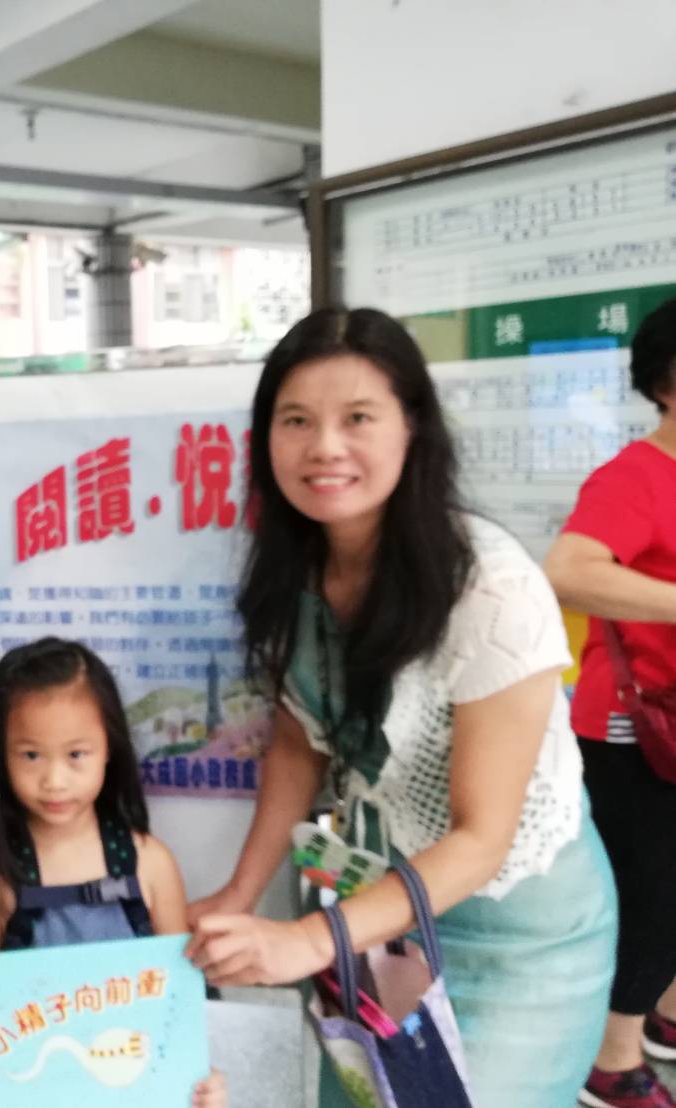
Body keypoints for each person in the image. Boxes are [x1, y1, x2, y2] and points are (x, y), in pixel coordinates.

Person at [183, 307, 617, 1108]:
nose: (324, 446)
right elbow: (298, 741)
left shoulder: (488, 588)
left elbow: (481, 840)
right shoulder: (294, 568)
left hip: (515, 934)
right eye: (295, 420)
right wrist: (240, 892)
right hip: (375, 915)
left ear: (411, 428)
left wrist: (306, 940)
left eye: (357, 418)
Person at [0, 638, 228, 1108]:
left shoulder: (150, 863)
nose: (54, 780)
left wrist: (203, 1079)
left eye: (76, 754)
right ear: (1, 755)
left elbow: (181, 1004)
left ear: (109, 749)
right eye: (31, 755)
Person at [545, 296, 676, 1108]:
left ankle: (663, 1014)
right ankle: (610, 1060)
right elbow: (567, 570)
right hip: (638, 726)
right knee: (652, 891)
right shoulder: (635, 476)